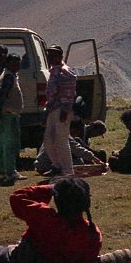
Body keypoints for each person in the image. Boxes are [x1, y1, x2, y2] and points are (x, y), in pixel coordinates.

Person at [0, 177, 131, 263]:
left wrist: (50, 188)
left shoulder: (46, 218)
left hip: (15, 262)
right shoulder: (92, 233)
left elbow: (17, 197)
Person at [43, 45, 78, 177]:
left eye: (53, 55)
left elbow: (68, 92)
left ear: (59, 57)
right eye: (49, 55)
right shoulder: (53, 71)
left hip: (61, 109)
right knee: (48, 140)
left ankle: (68, 171)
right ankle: (57, 166)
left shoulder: (65, 72)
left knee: (61, 141)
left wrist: (65, 109)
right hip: (52, 109)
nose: (50, 57)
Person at [0, 54, 24, 185]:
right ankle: (10, 172)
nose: (18, 66)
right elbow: (1, 94)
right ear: (8, 64)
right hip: (9, 114)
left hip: (4, 114)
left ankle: (1, 172)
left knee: (1, 144)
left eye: (18, 63)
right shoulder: (9, 77)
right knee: (9, 145)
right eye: (15, 63)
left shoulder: (6, 75)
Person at [34, 119, 108, 176]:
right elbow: (78, 149)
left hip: (41, 163)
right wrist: (96, 159)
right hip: (45, 164)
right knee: (79, 163)